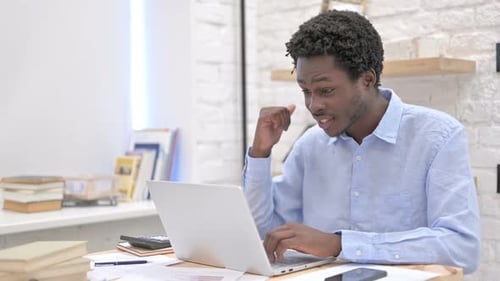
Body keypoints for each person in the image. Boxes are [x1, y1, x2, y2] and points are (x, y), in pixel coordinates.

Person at [242, 10, 480, 274]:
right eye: (306, 91)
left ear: (367, 80)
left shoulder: (437, 136)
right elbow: (265, 234)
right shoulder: (310, 145)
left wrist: (340, 244)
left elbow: (462, 249)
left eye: (326, 91)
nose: (314, 105)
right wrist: (260, 153)